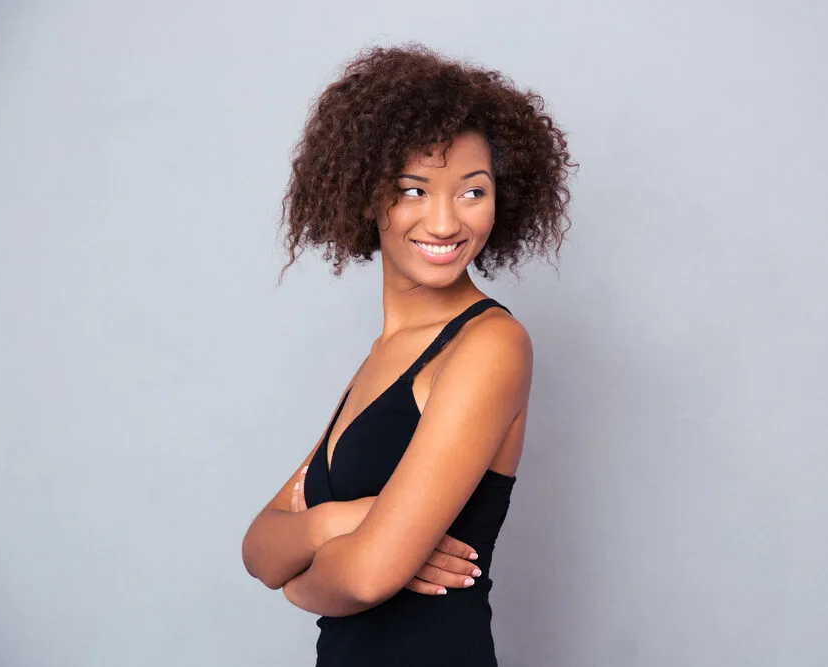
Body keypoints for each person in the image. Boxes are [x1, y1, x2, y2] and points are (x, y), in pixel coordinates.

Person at [241, 42, 576, 666]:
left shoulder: (490, 344)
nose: (446, 222)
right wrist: (336, 524)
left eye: (472, 192)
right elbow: (259, 545)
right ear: (368, 196)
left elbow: (367, 576)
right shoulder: (387, 354)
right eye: (414, 189)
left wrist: (298, 585)